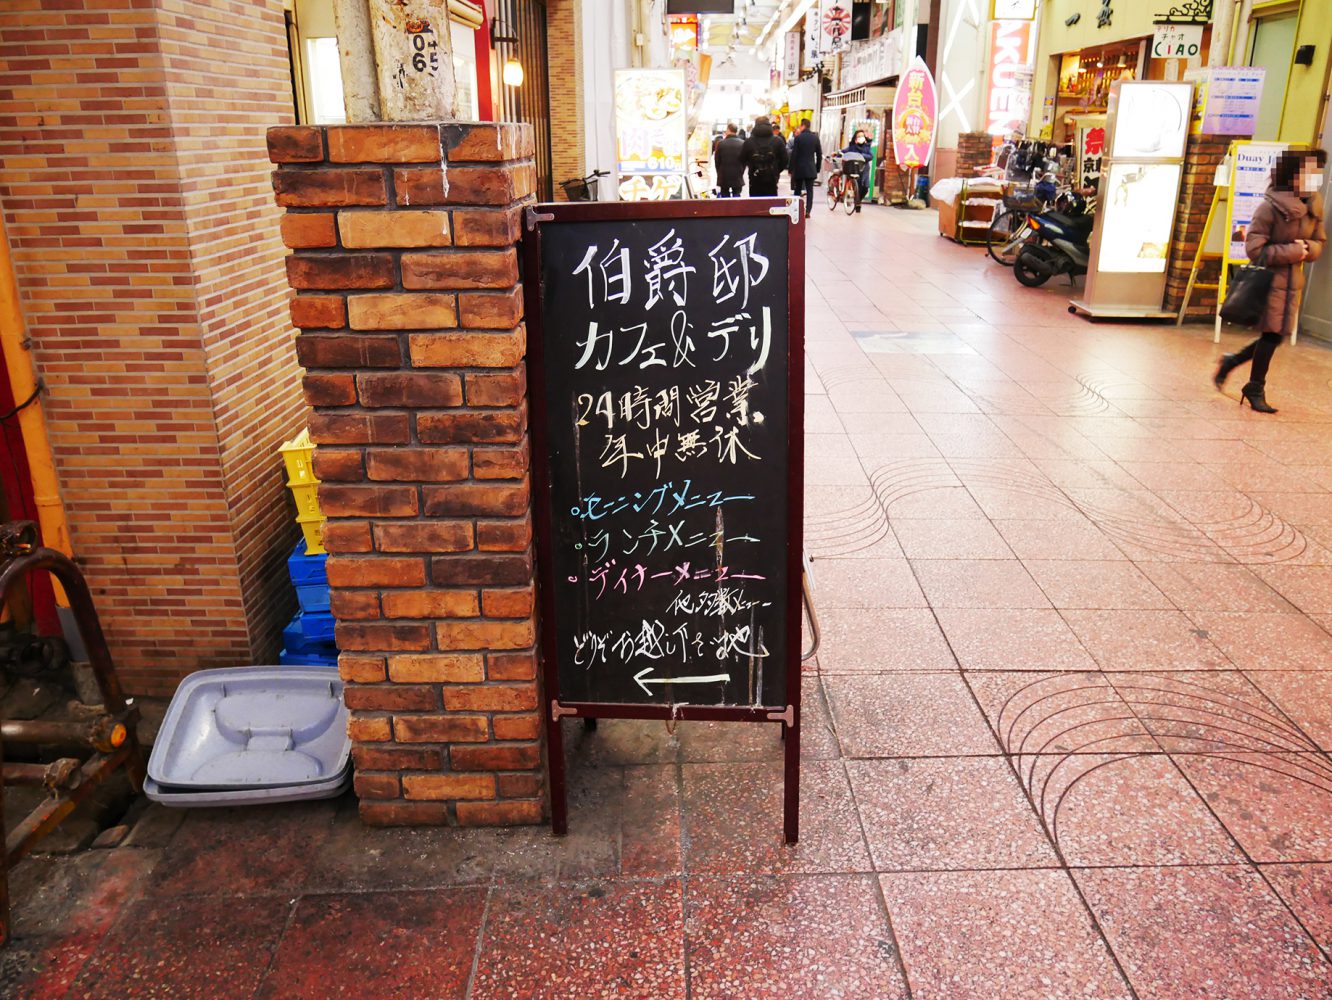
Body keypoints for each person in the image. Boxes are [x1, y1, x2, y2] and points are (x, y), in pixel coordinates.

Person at [1214, 148, 1326, 413]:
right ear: (1292, 175)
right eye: (1309, 172)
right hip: (1269, 283)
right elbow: (1254, 249)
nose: (1314, 178)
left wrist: (1309, 249)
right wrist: (1294, 251)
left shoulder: (1314, 206)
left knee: (1277, 336)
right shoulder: (1270, 207)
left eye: (1317, 173)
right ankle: (1255, 387)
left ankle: (1232, 362)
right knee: (1272, 335)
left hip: (1293, 283)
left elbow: (1320, 241)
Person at [740, 116, 788, 198]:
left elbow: (742, 159)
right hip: (772, 178)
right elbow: (785, 160)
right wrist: (776, 170)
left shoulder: (749, 142)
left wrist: (751, 166)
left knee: (755, 205)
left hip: (754, 178)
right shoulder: (778, 140)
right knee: (771, 204)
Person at [788, 119, 822, 215]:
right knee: (810, 190)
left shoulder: (798, 138)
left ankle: (796, 210)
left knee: (797, 189)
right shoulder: (815, 138)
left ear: (802, 126)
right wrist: (817, 168)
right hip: (811, 168)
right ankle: (808, 211)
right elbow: (819, 154)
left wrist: (791, 168)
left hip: (799, 168)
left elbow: (794, 155)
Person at [842, 129, 873, 212]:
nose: (861, 138)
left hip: (864, 169)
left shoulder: (867, 147)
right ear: (855, 139)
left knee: (865, 188)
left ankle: (858, 201)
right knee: (857, 187)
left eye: (862, 136)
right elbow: (844, 152)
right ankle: (858, 203)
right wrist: (838, 153)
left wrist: (860, 156)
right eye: (859, 136)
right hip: (855, 169)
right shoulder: (852, 147)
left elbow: (870, 156)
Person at [714, 123, 745, 198]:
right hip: (737, 174)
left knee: (724, 196)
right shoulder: (742, 143)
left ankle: (726, 209)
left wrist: (719, 172)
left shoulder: (721, 144)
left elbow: (717, 160)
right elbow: (745, 160)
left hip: (724, 174)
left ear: (728, 130)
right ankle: (736, 209)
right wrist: (741, 171)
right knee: (737, 195)